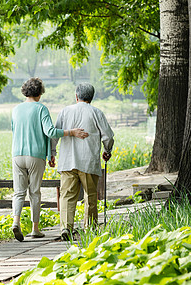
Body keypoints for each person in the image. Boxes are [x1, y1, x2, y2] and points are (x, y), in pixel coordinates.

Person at [11, 77, 88, 242]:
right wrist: (71, 132)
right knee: (34, 192)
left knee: (19, 192)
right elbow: (51, 132)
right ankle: (35, 229)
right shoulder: (41, 109)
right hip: (35, 156)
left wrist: (49, 152)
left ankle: (15, 222)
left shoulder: (16, 109)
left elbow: (14, 131)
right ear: (39, 93)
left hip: (17, 155)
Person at [51, 82, 114, 241]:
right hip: (88, 161)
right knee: (90, 196)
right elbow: (108, 136)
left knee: (67, 196)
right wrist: (107, 151)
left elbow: (55, 134)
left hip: (67, 161)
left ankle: (66, 227)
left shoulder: (65, 111)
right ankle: (90, 228)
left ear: (76, 95)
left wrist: (52, 153)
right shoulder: (96, 112)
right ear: (91, 98)